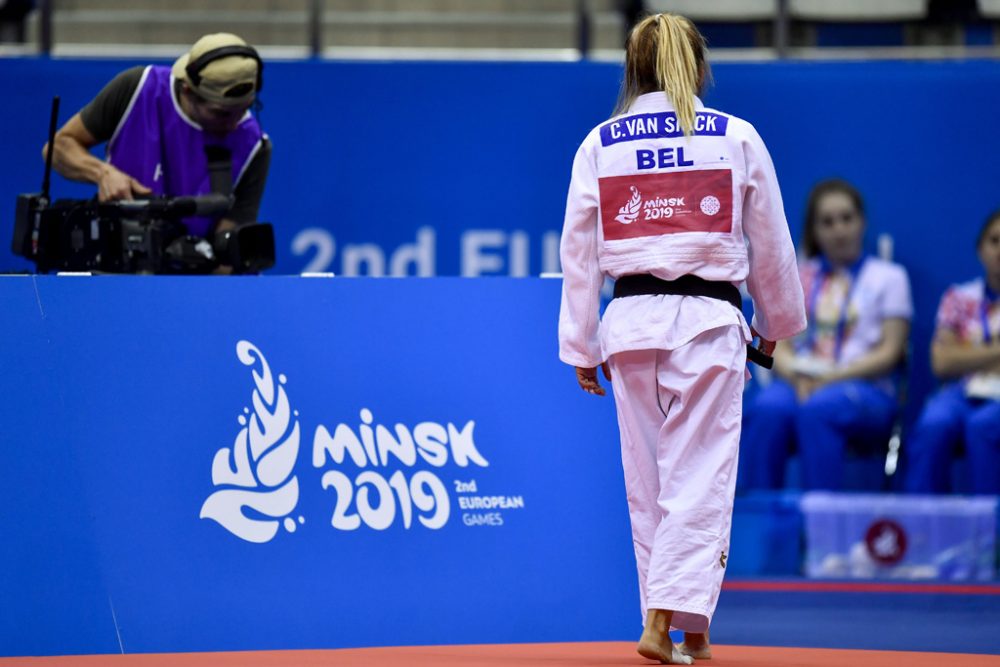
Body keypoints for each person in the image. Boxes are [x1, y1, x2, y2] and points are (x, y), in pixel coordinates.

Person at [557, 13, 805, 664]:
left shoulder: (601, 142)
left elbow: (578, 254)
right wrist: (774, 326)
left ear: (632, 70)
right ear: (697, 68)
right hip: (706, 324)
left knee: (649, 481)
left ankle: (688, 629)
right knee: (699, 477)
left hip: (632, 324)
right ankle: (662, 620)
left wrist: (581, 344)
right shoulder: (735, 136)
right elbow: (772, 244)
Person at [739, 180, 912, 491]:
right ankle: (761, 529)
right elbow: (779, 344)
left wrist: (829, 381)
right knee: (768, 409)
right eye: (827, 222)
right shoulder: (797, 275)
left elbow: (890, 352)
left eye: (847, 218)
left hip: (865, 388)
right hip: (802, 382)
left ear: (862, 222)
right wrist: (796, 376)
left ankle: (819, 528)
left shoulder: (890, 277)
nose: (839, 229)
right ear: (815, 230)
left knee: (822, 408)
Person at [44, 33, 270, 252]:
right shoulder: (137, 89)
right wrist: (102, 173)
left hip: (194, 276)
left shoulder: (255, 145)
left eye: (243, 110)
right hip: (118, 259)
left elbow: (227, 249)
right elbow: (58, 147)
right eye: (222, 114)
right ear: (188, 91)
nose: (233, 125)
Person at [905, 210, 1000, 495]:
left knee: (983, 426)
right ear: (980, 249)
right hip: (963, 390)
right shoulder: (959, 298)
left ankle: (988, 531)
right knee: (934, 422)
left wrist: (968, 353)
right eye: (995, 240)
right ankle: (924, 526)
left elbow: (955, 355)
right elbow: (942, 362)